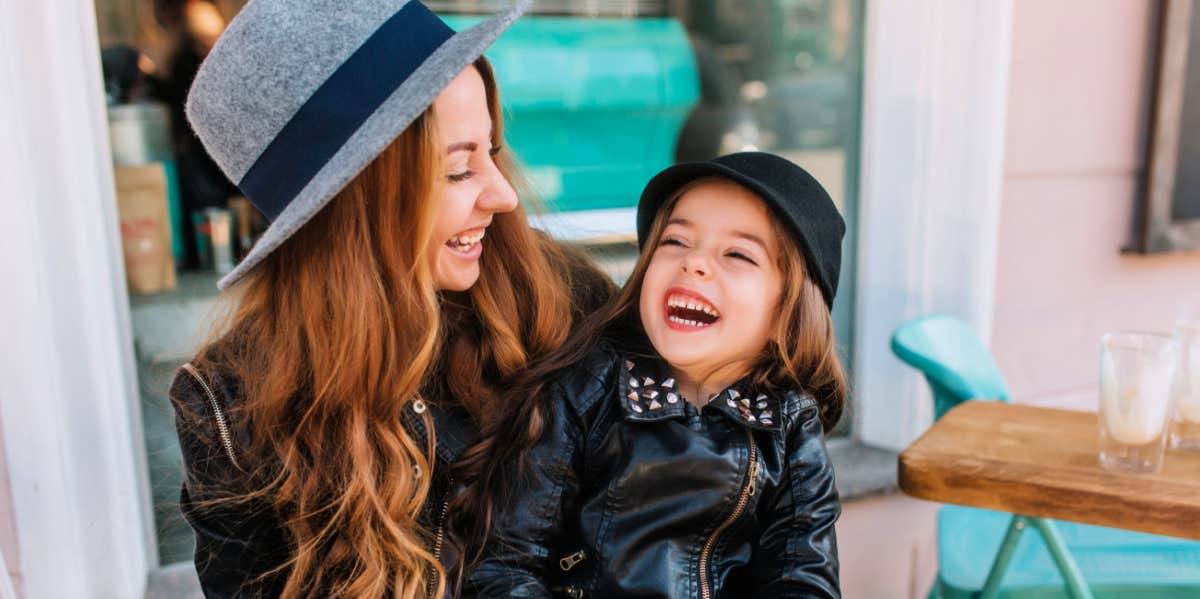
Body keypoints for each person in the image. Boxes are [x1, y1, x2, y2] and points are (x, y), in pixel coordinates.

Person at [167, 1, 614, 597]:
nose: (504, 195)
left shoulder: (561, 296)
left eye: (493, 150)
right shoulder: (229, 407)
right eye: (458, 171)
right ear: (354, 205)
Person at [466, 152, 846, 598]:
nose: (694, 263)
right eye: (675, 242)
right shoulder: (584, 389)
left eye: (738, 254)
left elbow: (803, 578)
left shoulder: (789, 425)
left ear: (791, 308)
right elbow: (507, 565)